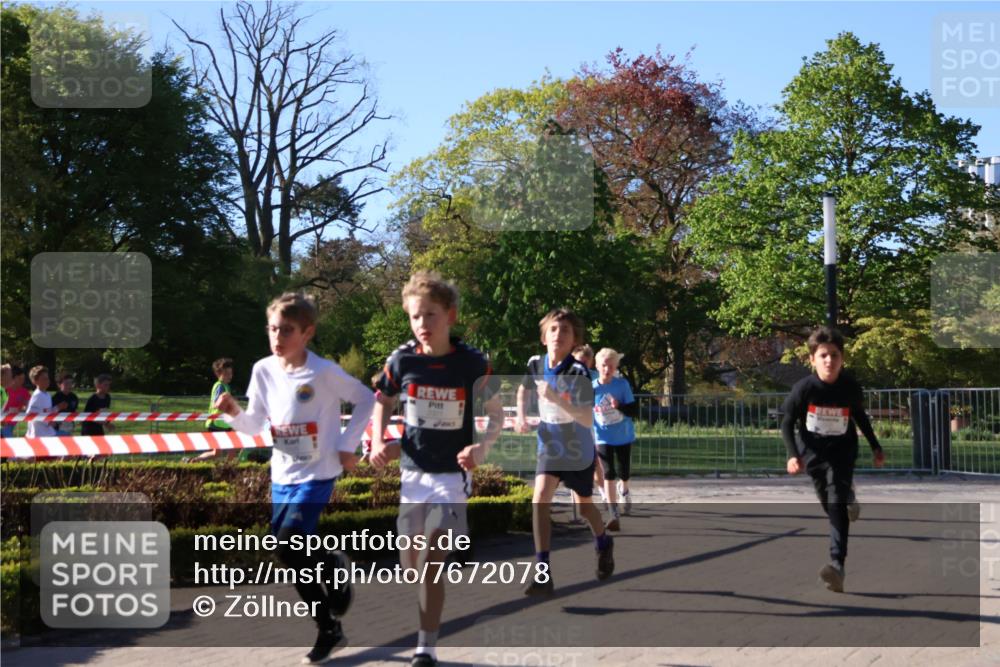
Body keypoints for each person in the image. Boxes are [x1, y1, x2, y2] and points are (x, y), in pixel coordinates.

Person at [214, 292, 375, 664]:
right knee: (290, 552)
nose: (278, 337)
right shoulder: (263, 370)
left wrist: (347, 445)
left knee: (288, 544)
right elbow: (255, 424)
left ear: (307, 333)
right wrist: (233, 412)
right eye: (273, 329)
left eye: (287, 330)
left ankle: (327, 623)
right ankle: (331, 576)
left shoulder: (324, 372)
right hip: (283, 474)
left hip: (318, 473)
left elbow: (366, 399)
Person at [370, 270, 503, 667]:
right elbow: (382, 401)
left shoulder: (473, 362)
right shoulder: (402, 359)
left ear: (451, 316)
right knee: (411, 566)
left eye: (430, 315)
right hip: (413, 474)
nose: (422, 323)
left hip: (451, 476)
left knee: (432, 559)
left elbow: (497, 415)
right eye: (415, 316)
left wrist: (482, 447)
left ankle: (425, 647)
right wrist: (378, 441)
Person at [516, 308, 614, 597]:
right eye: (554, 329)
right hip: (549, 443)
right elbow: (523, 390)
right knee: (539, 499)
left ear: (574, 341)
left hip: (576, 447)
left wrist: (556, 398)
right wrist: (520, 416)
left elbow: (586, 418)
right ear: (544, 337)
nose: (559, 334)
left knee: (584, 508)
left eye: (566, 330)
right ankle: (542, 572)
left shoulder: (578, 372)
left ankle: (604, 542)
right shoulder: (535, 363)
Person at [782, 326, 885, 593]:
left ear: (842, 358)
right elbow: (787, 423)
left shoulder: (849, 386)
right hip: (813, 454)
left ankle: (837, 564)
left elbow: (859, 417)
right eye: (823, 355)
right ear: (812, 359)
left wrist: (875, 446)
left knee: (836, 501)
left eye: (835, 355)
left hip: (842, 452)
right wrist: (793, 455)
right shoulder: (803, 389)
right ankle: (848, 499)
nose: (829, 360)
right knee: (830, 504)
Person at [592, 349, 639, 531]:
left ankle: (624, 489)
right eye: (604, 365)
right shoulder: (591, 388)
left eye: (611, 366)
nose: (607, 369)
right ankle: (613, 513)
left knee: (624, 472)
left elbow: (633, 411)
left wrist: (619, 406)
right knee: (608, 472)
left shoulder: (622, 385)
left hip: (623, 435)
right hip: (602, 436)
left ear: (615, 367)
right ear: (597, 366)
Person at [573, 345, 608, 505]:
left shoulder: (595, 377)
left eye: (585, 362)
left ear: (590, 362)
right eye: (578, 361)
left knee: (597, 461)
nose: (581, 365)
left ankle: (604, 492)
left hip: (594, 425)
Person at [188, 358, 239, 462]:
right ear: (218, 374)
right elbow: (217, 404)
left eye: (231, 373)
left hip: (223, 423)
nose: (230, 376)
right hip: (216, 423)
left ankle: (193, 461)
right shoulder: (219, 386)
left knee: (219, 452)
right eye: (227, 374)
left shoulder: (226, 386)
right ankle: (228, 467)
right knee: (233, 446)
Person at [26, 366, 67, 438]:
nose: (47, 380)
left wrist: (58, 407)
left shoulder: (47, 395)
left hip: (48, 433)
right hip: (38, 435)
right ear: (35, 381)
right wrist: (48, 421)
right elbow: (30, 413)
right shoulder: (37, 395)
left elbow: (47, 411)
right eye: (43, 379)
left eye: (47, 378)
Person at [2, 366, 29, 437]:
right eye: (20, 379)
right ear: (13, 378)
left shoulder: (24, 392)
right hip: (3, 423)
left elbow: (29, 406)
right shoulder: (4, 390)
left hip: (12, 424)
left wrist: (20, 409)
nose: (22, 381)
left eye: (23, 379)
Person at [51, 371, 79, 436]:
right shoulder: (56, 397)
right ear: (59, 385)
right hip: (57, 429)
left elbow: (73, 411)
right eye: (66, 383)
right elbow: (50, 412)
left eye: (71, 383)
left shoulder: (74, 397)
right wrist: (59, 407)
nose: (69, 386)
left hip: (69, 428)